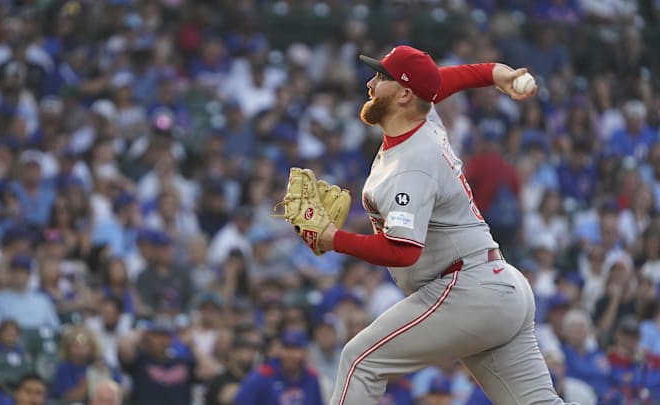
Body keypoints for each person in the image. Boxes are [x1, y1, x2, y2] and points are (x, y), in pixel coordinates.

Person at [298, 45, 567, 404]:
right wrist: (493, 72)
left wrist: (334, 239)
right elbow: (438, 82)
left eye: (381, 77)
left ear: (405, 94)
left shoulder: (413, 162)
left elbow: (404, 251)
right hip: (496, 285)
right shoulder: (424, 118)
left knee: (360, 360)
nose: (370, 83)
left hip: (467, 288)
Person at [234, 330, 324, 405]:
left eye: (295, 349)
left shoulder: (312, 378)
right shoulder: (263, 375)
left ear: (305, 352)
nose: (290, 354)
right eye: (286, 348)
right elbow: (241, 401)